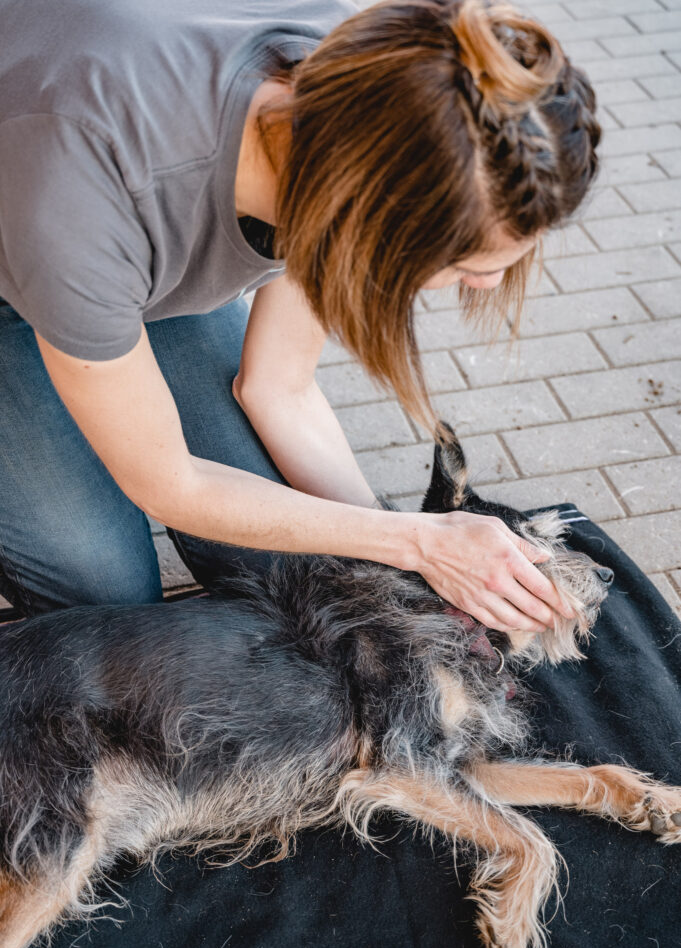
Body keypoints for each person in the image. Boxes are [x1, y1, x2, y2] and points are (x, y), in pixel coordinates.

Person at [0, 0, 599, 631]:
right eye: (465, 263)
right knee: (108, 595)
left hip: (127, 265)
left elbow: (277, 388)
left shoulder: (370, 87)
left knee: (284, 559)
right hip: (35, 257)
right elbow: (172, 484)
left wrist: (407, 545)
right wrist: (419, 543)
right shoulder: (82, 185)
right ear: (367, 210)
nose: (489, 283)